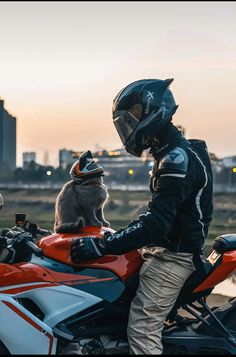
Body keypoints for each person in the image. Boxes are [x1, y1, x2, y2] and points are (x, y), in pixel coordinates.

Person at [70, 78, 213, 354]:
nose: (128, 128)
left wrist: (102, 245)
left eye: (131, 119)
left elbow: (156, 224)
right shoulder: (174, 153)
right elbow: (156, 219)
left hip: (174, 258)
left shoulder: (176, 159)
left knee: (142, 328)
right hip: (163, 250)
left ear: (150, 113)